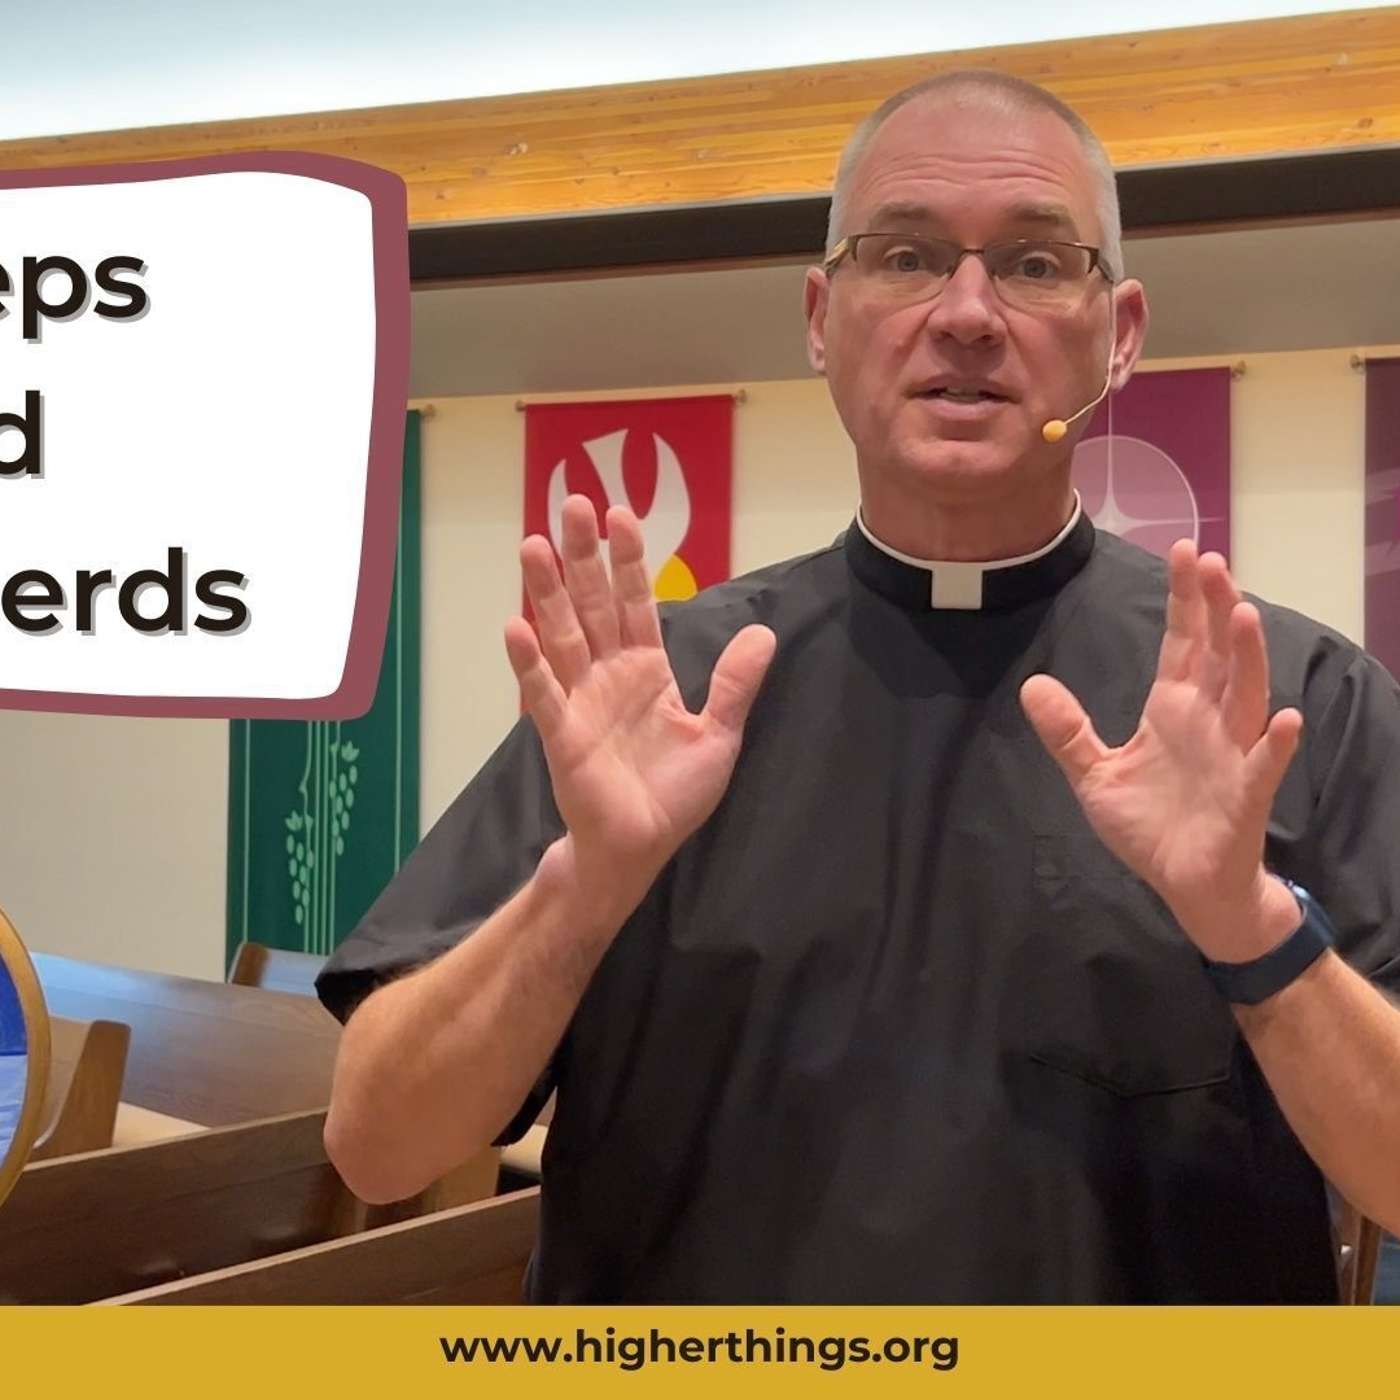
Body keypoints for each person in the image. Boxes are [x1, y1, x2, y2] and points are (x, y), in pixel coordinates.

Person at [316, 70, 1400, 1302]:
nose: (967, 313)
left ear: (1119, 332)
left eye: (1036, 263)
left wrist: (1251, 929)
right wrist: (583, 891)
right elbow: (376, 1144)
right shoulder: (660, 694)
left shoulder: (1283, 701)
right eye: (905, 256)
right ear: (820, 318)